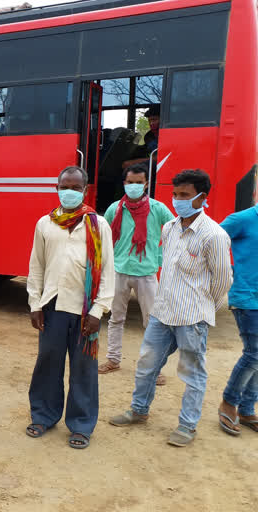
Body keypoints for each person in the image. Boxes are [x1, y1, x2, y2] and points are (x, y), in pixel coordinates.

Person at [109, 169, 232, 447]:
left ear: (202, 198)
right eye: (175, 194)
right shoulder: (169, 228)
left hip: (191, 318)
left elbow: (223, 280)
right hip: (162, 314)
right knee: (146, 365)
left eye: (185, 195)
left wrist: (204, 307)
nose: (178, 200)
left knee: (192, 373)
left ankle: (187, 426)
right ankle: (139, 411)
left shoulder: (214, 235)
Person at [26, 166, 115, 449]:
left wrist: (97, 311)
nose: (70, 192)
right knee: (47, 363)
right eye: (66, 186)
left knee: (84, 368)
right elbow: (36, 267)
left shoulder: (98, 225)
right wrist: (34, 303)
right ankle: (43, 415)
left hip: (84, 310)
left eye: (76, 188)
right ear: (57, 188)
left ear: (85, 190)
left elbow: (108, 271)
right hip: (52, 305)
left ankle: (81, 424)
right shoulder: (45, 223)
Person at [99, 163, 174, 385]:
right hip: (119, 270)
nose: (134, 186)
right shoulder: (115, 209)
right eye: (130, 183)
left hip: (147, 272)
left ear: (146, 184)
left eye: (139, 183)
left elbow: (174, 231)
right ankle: (113, 359)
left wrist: (160, 257)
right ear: (124, 183)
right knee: (115, 318)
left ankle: (154, 368)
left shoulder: (158, 208)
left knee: (152, 322)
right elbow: (107, 238)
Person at [217, 203, 258, 435]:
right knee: (254, 353)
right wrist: (229, 270)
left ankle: (247, 407)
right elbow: (213, 242)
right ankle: (229, 403)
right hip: (247, 297)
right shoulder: (242, 219)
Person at [122, 105, 160, 170]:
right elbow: (145, 150)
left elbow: (159, 157)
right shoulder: (149, 137)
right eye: (149, 121)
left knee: (126, 165)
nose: (151, 123)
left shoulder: (168, 136)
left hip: (159, 165)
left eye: (154, 120)